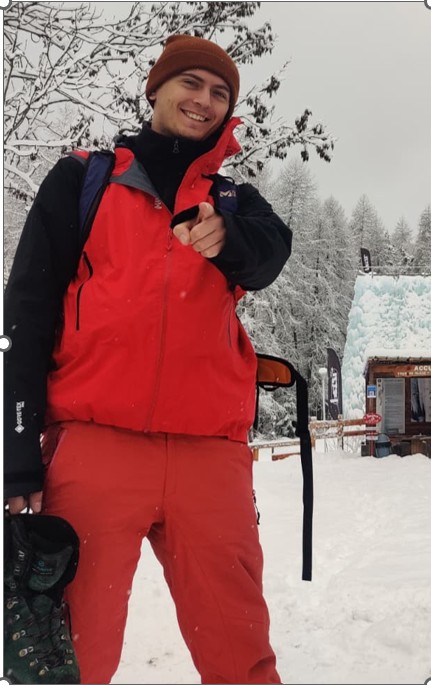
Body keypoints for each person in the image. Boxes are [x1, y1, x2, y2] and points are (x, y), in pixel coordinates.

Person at [3, 34, 292, 684]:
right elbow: (26, 312)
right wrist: (17, 452)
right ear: (155, 88)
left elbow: (271, 253)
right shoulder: (84, 180)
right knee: (70, 659)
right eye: (191, 83)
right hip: (93, 447)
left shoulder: (232, 201)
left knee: (241, 657)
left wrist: (227, 236)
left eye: (220, 93)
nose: (204, 101)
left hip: (209, 457)